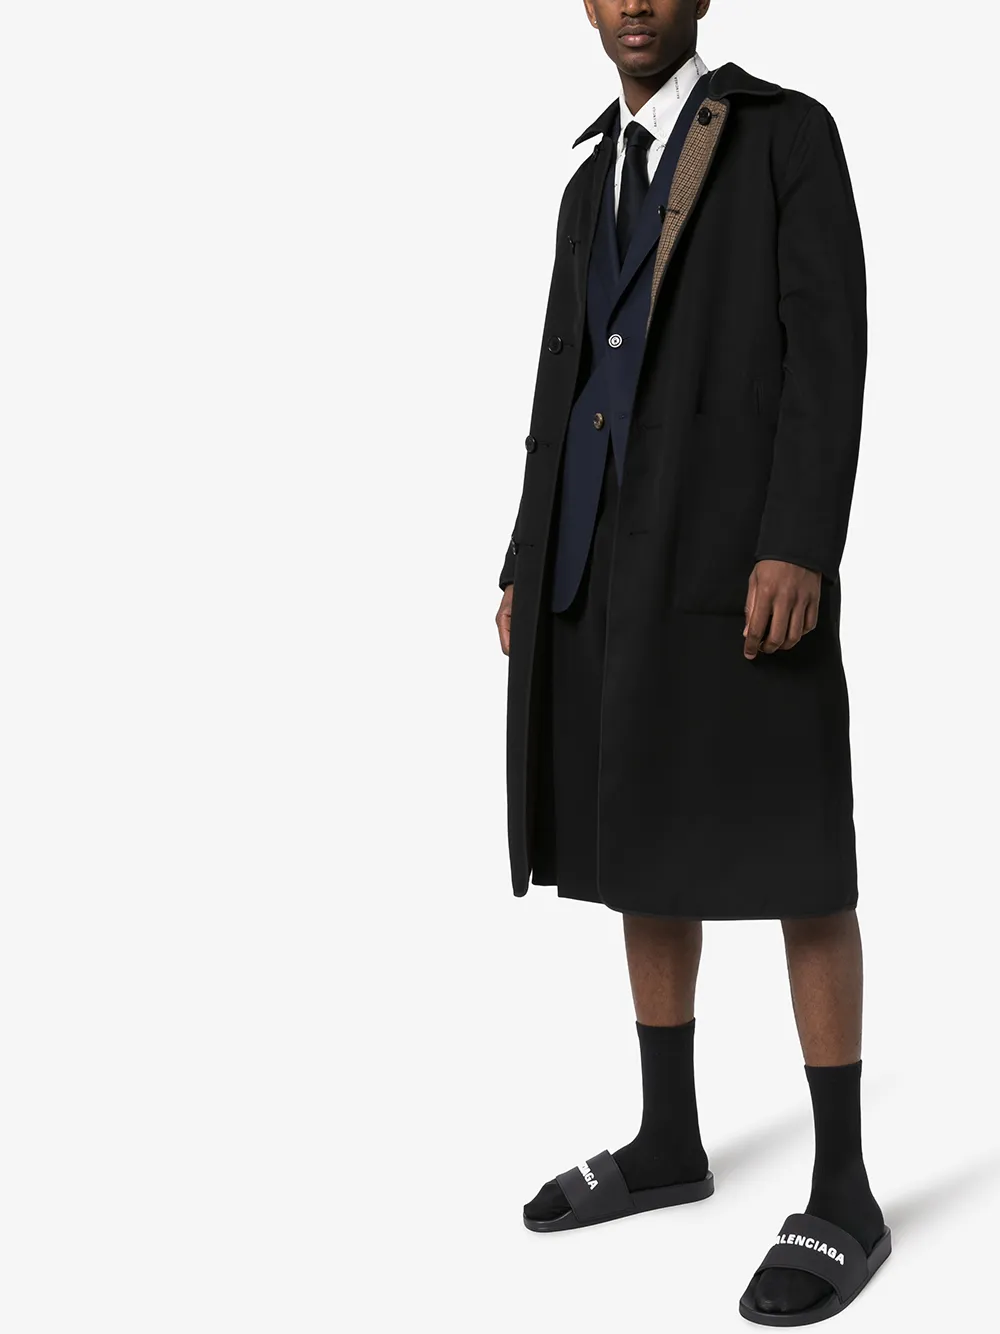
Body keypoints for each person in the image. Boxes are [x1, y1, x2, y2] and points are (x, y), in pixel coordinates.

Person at [494, 0, 889, 1323]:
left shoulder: (786, 137)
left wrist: (800, 542)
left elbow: (830, 349)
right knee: (636, 838)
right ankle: (670, 1140)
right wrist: (526, 553)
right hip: (604, 560)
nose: (635, 5)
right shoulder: (585, 183)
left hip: (739, 562)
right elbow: (557, 381)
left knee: (797, 850)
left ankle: (845, 1188)